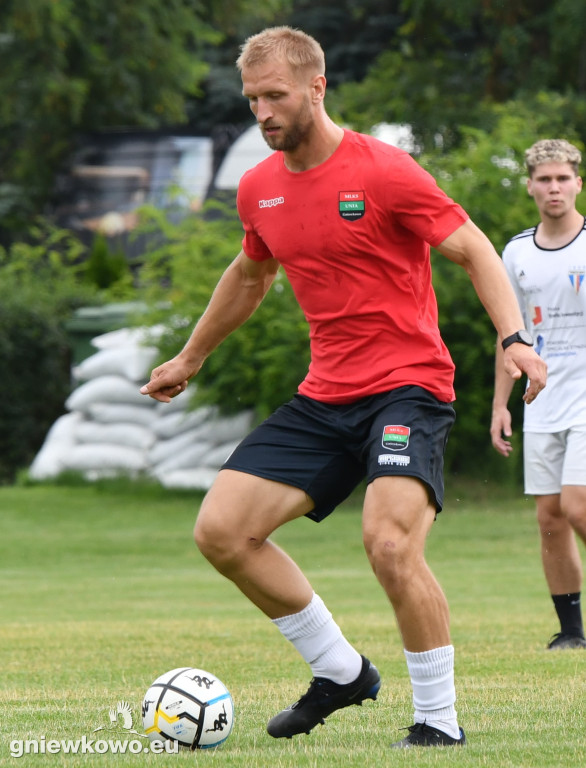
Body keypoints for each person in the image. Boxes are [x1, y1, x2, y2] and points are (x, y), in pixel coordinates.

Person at [141, 26, 546, 748]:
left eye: (276, 96)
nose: (263, 113)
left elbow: (474, 247)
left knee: (389, 542)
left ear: (317, 88)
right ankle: (341, 671)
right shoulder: (259, 188)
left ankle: (438, 721)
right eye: (252, 99)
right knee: (222, 532)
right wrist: (190, 357)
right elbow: (251, 274)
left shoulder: (384, 171)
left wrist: (513, 339)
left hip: (409, 390)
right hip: (326, 394)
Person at [491, 138, 586, 651]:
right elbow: (509, 333)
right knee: (549, 518)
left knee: (579, 506)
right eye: (544, 179)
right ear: (529, 186)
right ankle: (571, 633)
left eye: (563, 178)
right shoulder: (516, 251)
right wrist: (499, 404)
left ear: (578, 183)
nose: (554, 187)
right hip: (541, 398)